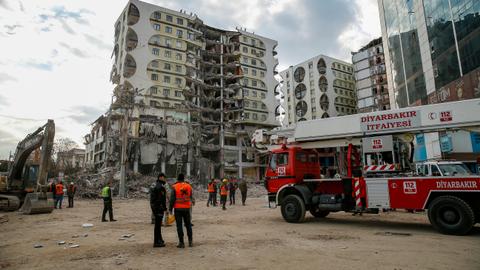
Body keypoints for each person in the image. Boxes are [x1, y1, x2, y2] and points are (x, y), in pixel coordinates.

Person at [169, 173, 193, 248]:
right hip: (187, 208)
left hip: (178, 209)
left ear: (177, 179)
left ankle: (181, 243)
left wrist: (170, 209)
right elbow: (191, 196)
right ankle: (190, 242)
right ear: (184, 178)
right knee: (188, 225)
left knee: (179, 226)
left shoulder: (174, 186)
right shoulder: (189, 186)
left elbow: (172, 199)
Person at [150, 173, 167, 247]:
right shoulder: (160, 187)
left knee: (158, 225)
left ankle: (159, 239)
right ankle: (156, 242)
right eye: (164, 178)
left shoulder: (154, 185)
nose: (165, 179)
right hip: (158, 208)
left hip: (154, 207)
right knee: (157, 226)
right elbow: (162, 199)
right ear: (160, 177)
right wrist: (165, 208)